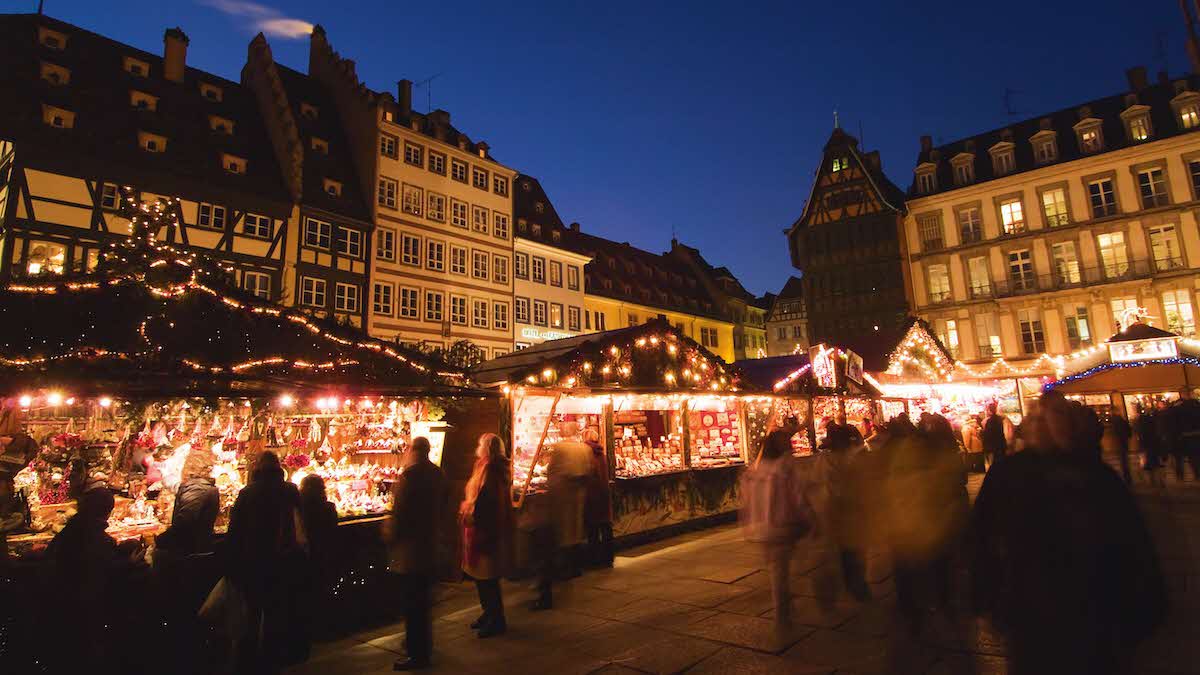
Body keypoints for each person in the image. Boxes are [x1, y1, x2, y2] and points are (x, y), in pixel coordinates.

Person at [969, 395, 1167, 674]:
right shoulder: (1009, 472)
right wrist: (984, 596)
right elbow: (982, 536)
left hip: (1091, 604)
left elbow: (1131, 542)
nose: (1045, 425)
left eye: (1054, 417)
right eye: (1038, 419)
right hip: (1031, 604)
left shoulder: (1096, 475)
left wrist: (1142, 607)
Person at [884, 414, 969, 635]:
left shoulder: (903, 452)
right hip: (923, 526)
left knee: (912, 569)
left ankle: (916, 610)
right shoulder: (939, 453)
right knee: (933, 568)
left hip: (912, 526)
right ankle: (937, 605)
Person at [224, 451, 307, 674]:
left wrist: (231, 562)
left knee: (251, 613)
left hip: (254, 560)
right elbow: (301, 523)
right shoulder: (289, 490)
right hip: (283, 559)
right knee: (276, 611)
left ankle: (248, 661)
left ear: (258, 469)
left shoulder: (247, 493)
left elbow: (235, 531)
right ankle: (274, 658)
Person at [44, 486, 145, 670]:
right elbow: (103, 569)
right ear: (106, 512)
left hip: (61, 604)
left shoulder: (72, 530)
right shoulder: (94, 537)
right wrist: (130, 562)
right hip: (84, 608)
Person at [741, 430, 815, 630]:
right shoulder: (784, 469)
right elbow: (798, 497)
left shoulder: (753, 472)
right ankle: (783, 614)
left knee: (777, 570)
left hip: (760, 528)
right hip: (781, 526)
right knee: (781, 572)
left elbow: (746, 502)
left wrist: (748, 525)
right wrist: (810, 518)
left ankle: (785, 608)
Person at [386, 436, 445, 670]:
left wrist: (391, 536)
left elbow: (399, 512)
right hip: (430, 543)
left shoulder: (409, 477)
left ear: (413, 451)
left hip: (412, 548)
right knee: (423, 601)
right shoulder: (437, 474)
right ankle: (422, 645)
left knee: (413, 603)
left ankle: (416, 652)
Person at [459, 433, 513, 638]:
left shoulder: (491, 470)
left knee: (487, 577)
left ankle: (496, 618)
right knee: (480, 576)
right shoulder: (484, 466)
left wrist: (472, 511)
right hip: (479, 526)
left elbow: (487, 500)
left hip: (485, 529)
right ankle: (488, 612)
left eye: (481, 444)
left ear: (487, 448)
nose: (477, 446)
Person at [536, 420, 592, 608]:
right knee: (575, 530)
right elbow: (589, 469)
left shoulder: (559, 448)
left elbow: (551, 469)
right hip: (579, 495)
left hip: (562, 496)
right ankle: (575, 566)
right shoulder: (584, 448)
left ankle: (562, 569)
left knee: (562, 532)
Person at [156, 446, 219, 564]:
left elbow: (184, 522)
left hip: (188, 555)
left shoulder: (197, 489)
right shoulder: (203, 487)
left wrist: (160, 540)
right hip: (197, 550)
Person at [298, 473, 339, 638]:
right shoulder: (329, 507)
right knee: (323, 590)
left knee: (308, 593)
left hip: (308, 555)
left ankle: (308, 628)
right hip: (326, 554)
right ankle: (324, 627)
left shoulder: (301, 509)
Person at [582, 427, 614, 568]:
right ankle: (608, 557)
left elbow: (587, 474)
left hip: (592, 494)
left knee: (593, 529)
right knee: (606, 526)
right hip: (603, 493)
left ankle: (594, 559)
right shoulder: (601, 452)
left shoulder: (586, 453)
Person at [1168, 397, 1200, 481]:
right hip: (1194, 436)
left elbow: (1174, 425)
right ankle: (1197, 474)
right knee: (1194, 457)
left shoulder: (1177, 411)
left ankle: (1180, 475)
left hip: (1182, 437)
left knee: (1180, 458)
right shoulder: (1195, 410)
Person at [1134, 405, 1165, 487]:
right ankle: (1160, 481)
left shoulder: (1141, 425)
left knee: (1148, 465)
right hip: (1153, 446)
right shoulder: (1153, 424)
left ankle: (1151, 481)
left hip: (1146, 446)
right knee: (1156, 464)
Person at [1109, 408, 1133, 485]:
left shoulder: (1115, 421)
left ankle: (1126, 476)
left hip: (1120, 441)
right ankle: (1127, 476)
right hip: (1123, 441)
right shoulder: (1122, 420)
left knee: (1123, 459)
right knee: (1124, 459)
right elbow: (1128, 431)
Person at [981, 402, 1007, 469]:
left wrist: (982, 432)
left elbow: (988, 433)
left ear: (989, 410)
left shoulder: (990, 421)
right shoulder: (1000, 419)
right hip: (1001, 443)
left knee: (994, 463)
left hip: (993, 445)